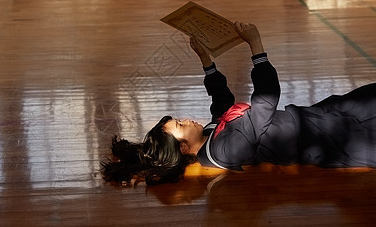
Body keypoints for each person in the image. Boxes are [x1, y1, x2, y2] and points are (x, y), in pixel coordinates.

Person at [101, 22, 376, 185]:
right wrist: (256, 44)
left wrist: (205, 60)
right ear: (183, 147)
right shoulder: (224, 151)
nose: (186, 119)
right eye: (181, 125)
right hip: (333, 139)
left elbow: (221, 100)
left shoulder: (209, 136)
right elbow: (265, 102)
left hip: (319, 116)